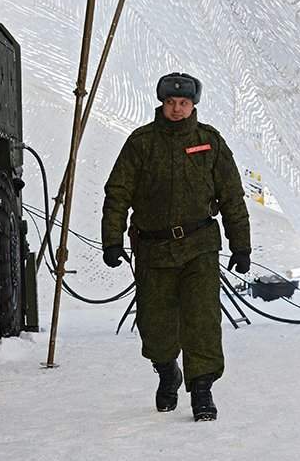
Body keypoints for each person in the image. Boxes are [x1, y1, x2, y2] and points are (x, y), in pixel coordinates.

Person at [101, 72, 251, 420]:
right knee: (156, 326)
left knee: (202, 321)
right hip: (153, 251)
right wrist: (112, 240)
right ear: (162, 103)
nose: (178, 109)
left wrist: (241, 246)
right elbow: (118, 194)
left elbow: (232, 197)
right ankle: (167, 372)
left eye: (184, 103)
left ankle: (202, 390)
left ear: (193, 104)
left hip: (199, 247)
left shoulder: (210, 142)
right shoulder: (141, 143)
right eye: (171, 103)